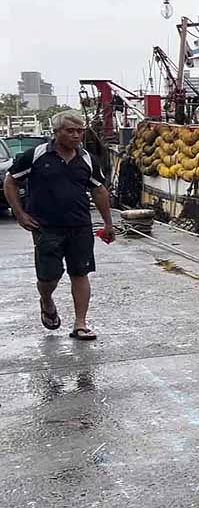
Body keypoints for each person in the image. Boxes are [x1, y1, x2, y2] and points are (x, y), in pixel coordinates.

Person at [3, 110, 114, 339]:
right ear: (56, 133)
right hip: (46, 227)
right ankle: (46, 300)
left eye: (79, 131)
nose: (76, 136)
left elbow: (99, 190)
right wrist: (20, 213)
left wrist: (108, 222)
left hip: (80, 226)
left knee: (80, 273)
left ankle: (80, 323)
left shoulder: (86, 159)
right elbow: (11, 181)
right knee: (49, 277)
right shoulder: (36, 155)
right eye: (70, 131)